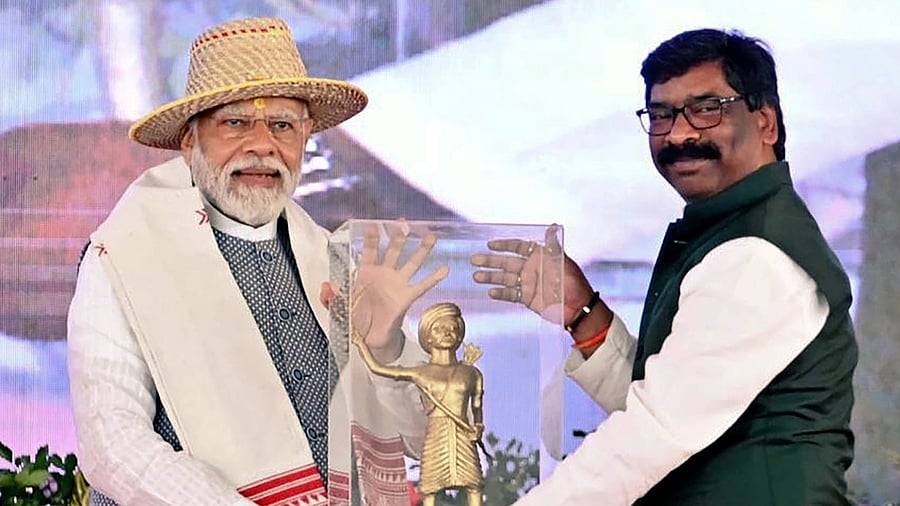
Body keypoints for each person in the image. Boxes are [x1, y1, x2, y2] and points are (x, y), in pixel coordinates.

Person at [67, 16, 446, 506]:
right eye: (236, 122)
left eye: (283, 125)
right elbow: (113, 447)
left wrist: (387, 345)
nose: (263, 145)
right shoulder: (120, 258)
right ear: (189, 139)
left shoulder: (329, 257)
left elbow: (428, 440)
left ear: (306, 138)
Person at [471, 28, 857, 505]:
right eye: (661, 115)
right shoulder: (731, 231)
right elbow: (674, 402)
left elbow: (652, 434)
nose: (679, 133)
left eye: (706, 109)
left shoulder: (757, 255)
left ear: (765, 124)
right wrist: (582, 313)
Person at [352, 302, 485, 506]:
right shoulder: (421, 372)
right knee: (429, 486)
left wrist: (478, 426)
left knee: (473, 482)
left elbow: (477, 404)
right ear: (428, 337)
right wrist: (361, 344)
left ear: (459, 334)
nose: (447, 333)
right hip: (435, 435)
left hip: (463, 435)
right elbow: (380, 369)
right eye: (439, 329)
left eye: (452, 328)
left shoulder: (471, 373)